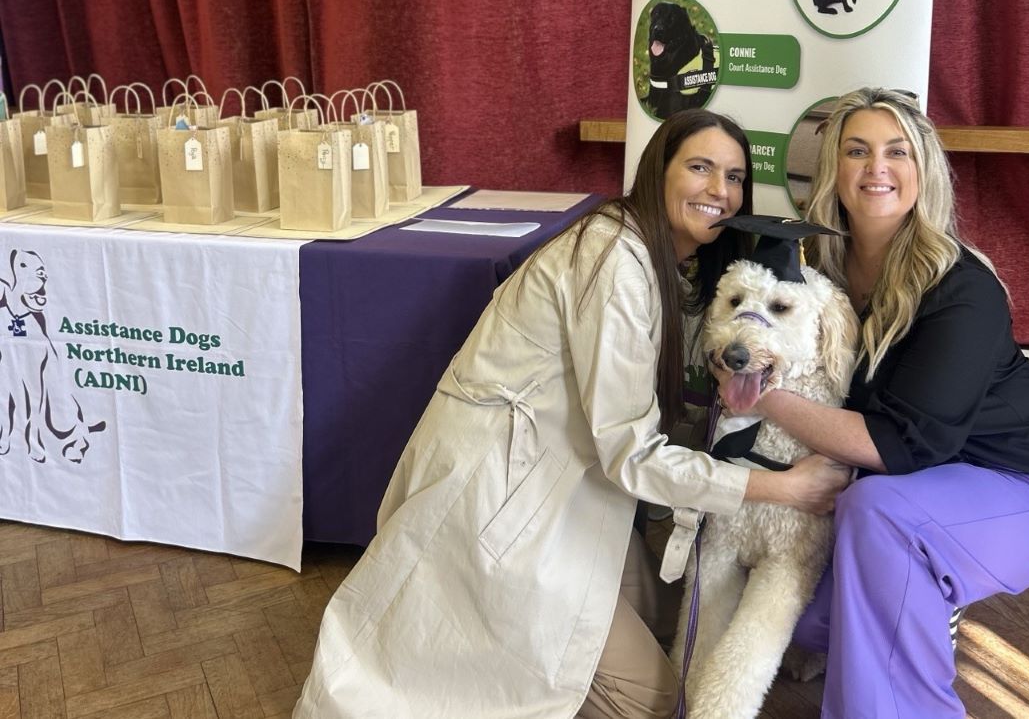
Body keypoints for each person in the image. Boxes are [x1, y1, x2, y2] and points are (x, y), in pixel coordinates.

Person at [292, 109, 851, 719]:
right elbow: (630, 454)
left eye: (735, 176)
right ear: (659, 170)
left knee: (674, 614)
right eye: (700, 167)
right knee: (654, 699)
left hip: (571, 490)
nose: (720, 190)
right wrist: (783, 488)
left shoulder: (651, 255)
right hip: (504, 497)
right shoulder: (614, 258)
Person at [712, 87, 1029, 718]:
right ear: (833, 168)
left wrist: (760, 400)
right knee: (806, 624)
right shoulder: (818, 278)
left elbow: (904, 445)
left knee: (881, 510)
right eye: (856, 151)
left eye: (897, 152)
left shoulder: (963, 287)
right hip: (915, 494)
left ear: (924, 171)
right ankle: (925, 597)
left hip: (1027, 489)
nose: (876, 168)